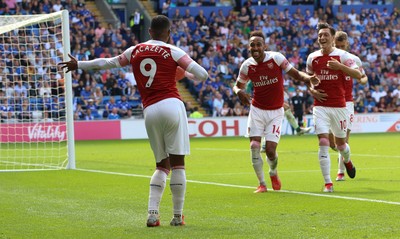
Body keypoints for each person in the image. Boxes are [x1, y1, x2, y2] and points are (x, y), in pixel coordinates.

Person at [59, 15, 208, 227]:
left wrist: (79, 64)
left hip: (150, 110)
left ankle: (153, 214)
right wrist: (182, 72)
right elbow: (202, 74)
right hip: (172, 105)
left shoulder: (135, 50)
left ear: (149, 32)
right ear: (168, 34)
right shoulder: (173, 51)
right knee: (178, 164)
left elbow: (106, 63)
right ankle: (177, 216)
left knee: (161, 165)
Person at [232, 31, 320, 193]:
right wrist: (238, 91)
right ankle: (262, 184)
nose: (256, 47)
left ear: (265, 46)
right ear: (249, 48)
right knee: (254, 145)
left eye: (259, 44)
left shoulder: (276, 58)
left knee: (271, 150)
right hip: (257, 109)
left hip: (276, 111)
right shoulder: (247, 65)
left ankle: (273, 172)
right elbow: (238, 85)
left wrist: (308, 78)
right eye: (253, 45)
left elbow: (295, 74)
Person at [306, 23, 362, 193]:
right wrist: (312, 90)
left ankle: (347, 160)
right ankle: (328, 183)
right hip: (320, 106)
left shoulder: (343, 56)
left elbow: (358, 74)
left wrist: (340, 67)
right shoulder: (312, 58)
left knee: (341, 145)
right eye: (320, 35)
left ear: (332, 37)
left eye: (325, 35)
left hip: (339, 106)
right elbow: (309, 78)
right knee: (323, 142)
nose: (322, 38)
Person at [329, 31, 368, 181]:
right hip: (330, 102)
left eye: (342, 46)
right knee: (332, 142)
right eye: (337, 45)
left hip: (347, 102)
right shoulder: (328, 58)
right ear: (333, 44)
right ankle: (346, 160)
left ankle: (341, 171)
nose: (340, 48)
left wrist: (362, 80)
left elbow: (363, 77)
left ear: (347, 45)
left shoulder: (353, 59)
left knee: (344, 139)